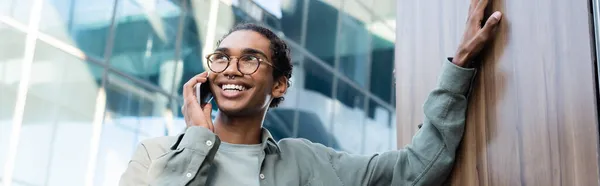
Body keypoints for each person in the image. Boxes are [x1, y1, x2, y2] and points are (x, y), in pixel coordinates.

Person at [119, 1, 502, 185]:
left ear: (279, 84)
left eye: (250, 59)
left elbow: (416, 170)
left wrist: (462, 64)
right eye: (222, 58)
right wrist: (197, 140)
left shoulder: (311, 163)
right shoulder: (155, 156)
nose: (232, 68)